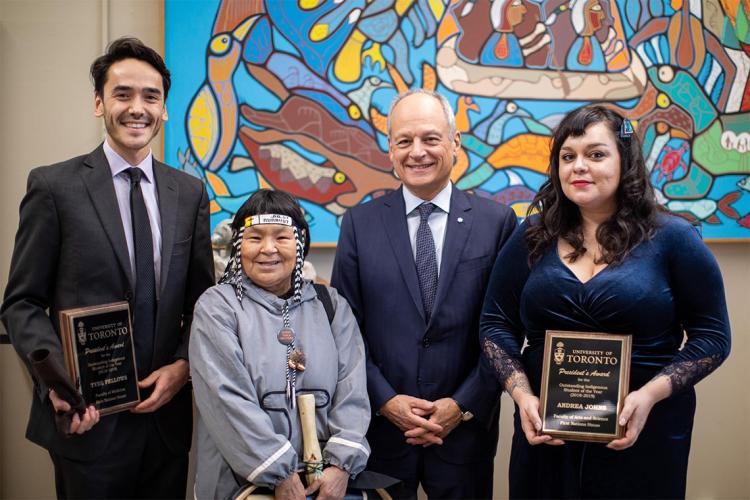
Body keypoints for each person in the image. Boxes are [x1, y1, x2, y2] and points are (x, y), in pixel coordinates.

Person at [479, 105, 731, 499]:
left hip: (643, 431)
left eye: (595, 154)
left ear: (625, 161)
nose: (579, 166)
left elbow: (713, 337)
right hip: (548, 435)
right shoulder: (531, 234)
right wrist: (521, 394)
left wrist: (649, 396)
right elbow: (494, 324)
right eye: (568, 156)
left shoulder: (675, 238)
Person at [0, 37, 214, 498]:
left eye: (150, 97)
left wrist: (182, 367)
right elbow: (21, 302)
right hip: (87, 423)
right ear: (99, 103)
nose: (137, 108)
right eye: (122, 94)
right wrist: (57, 383)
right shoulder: (53, 187)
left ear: (165, 110)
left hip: (164, 425)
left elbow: (203, 303)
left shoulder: (191, 193)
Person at [331, 89, 517, 499]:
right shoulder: (359, 224)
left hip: (464, 432)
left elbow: (506, 329)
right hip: (380, 430)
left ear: (455, 143)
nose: (417, 152)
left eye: (431, 139)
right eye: (404, 141)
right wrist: (386, 400)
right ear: (390, 150)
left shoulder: (497, 222)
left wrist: (462, 404)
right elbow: (345, 331)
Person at [190, 189, 371, 499]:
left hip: (325, 485)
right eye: (255, 237)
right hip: (242, 485)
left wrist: (340, 466)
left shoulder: (330, 305)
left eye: (281, 237)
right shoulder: (218, 307)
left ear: (300, 241)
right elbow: (226, 399)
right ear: (238, 245)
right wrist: (278, 472)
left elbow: (352, 390)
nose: (268, 249)